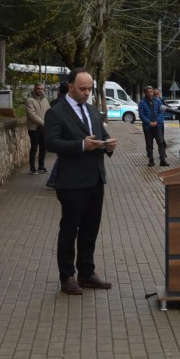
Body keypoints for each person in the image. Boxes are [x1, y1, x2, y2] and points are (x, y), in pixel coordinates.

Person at [43, 69, 117, 294]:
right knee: (69, 229)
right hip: (72, 181)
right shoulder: (56, 112)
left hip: (95, 179)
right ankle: (67, 277)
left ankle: (86, 273)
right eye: (83, 89)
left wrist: (108, 145)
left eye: (90, 89)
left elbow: (99, 136)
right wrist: (81, 145)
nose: (87, 93)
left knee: (90, 229)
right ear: (71, 87)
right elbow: (51, 143)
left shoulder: (93, 110)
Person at [138, 86, 169, 167]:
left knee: (161, 143)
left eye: (151, 91)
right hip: (148, 127)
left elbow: (161, 113)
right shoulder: (142, 103)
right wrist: (149, 122)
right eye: (148, 92)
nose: (150, 93)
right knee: (149, 144)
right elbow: (141, 115)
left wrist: (157, 121)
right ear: (145, 93)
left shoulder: (158, 101)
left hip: (157, 126)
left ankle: (162, 160)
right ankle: (151, 161)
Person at [25, 83, 50, 174]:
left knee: (43, 148)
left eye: (41, 88)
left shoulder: (45, 100)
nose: (40, 90)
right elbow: (32, 115)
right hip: (34, 129)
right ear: (34, 89)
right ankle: (32, 168)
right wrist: (43, 123)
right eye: (38, 88)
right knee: (34, 148)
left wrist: (47, 123)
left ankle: (41, 166)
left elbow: (49, 112)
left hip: (43, 128)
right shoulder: (29, 100)